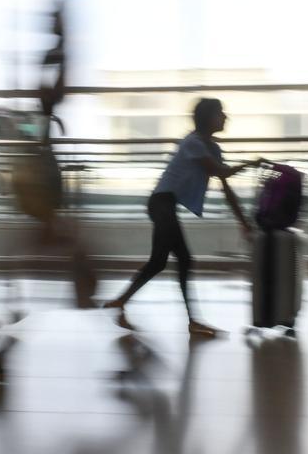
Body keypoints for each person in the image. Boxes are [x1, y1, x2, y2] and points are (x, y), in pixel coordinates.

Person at [104, 99, 260, 337]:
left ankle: (120, 301)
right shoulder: (193, 143)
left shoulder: (212, 148)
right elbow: (220, 172)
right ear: (208, 118)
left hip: (166, 205)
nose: (225, 117)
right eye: (220, 113)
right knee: (183, 259)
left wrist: (244, 222)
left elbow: (227, 189)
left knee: (159, 262)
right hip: (161, 204)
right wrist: (251, 163)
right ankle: (191, 321)